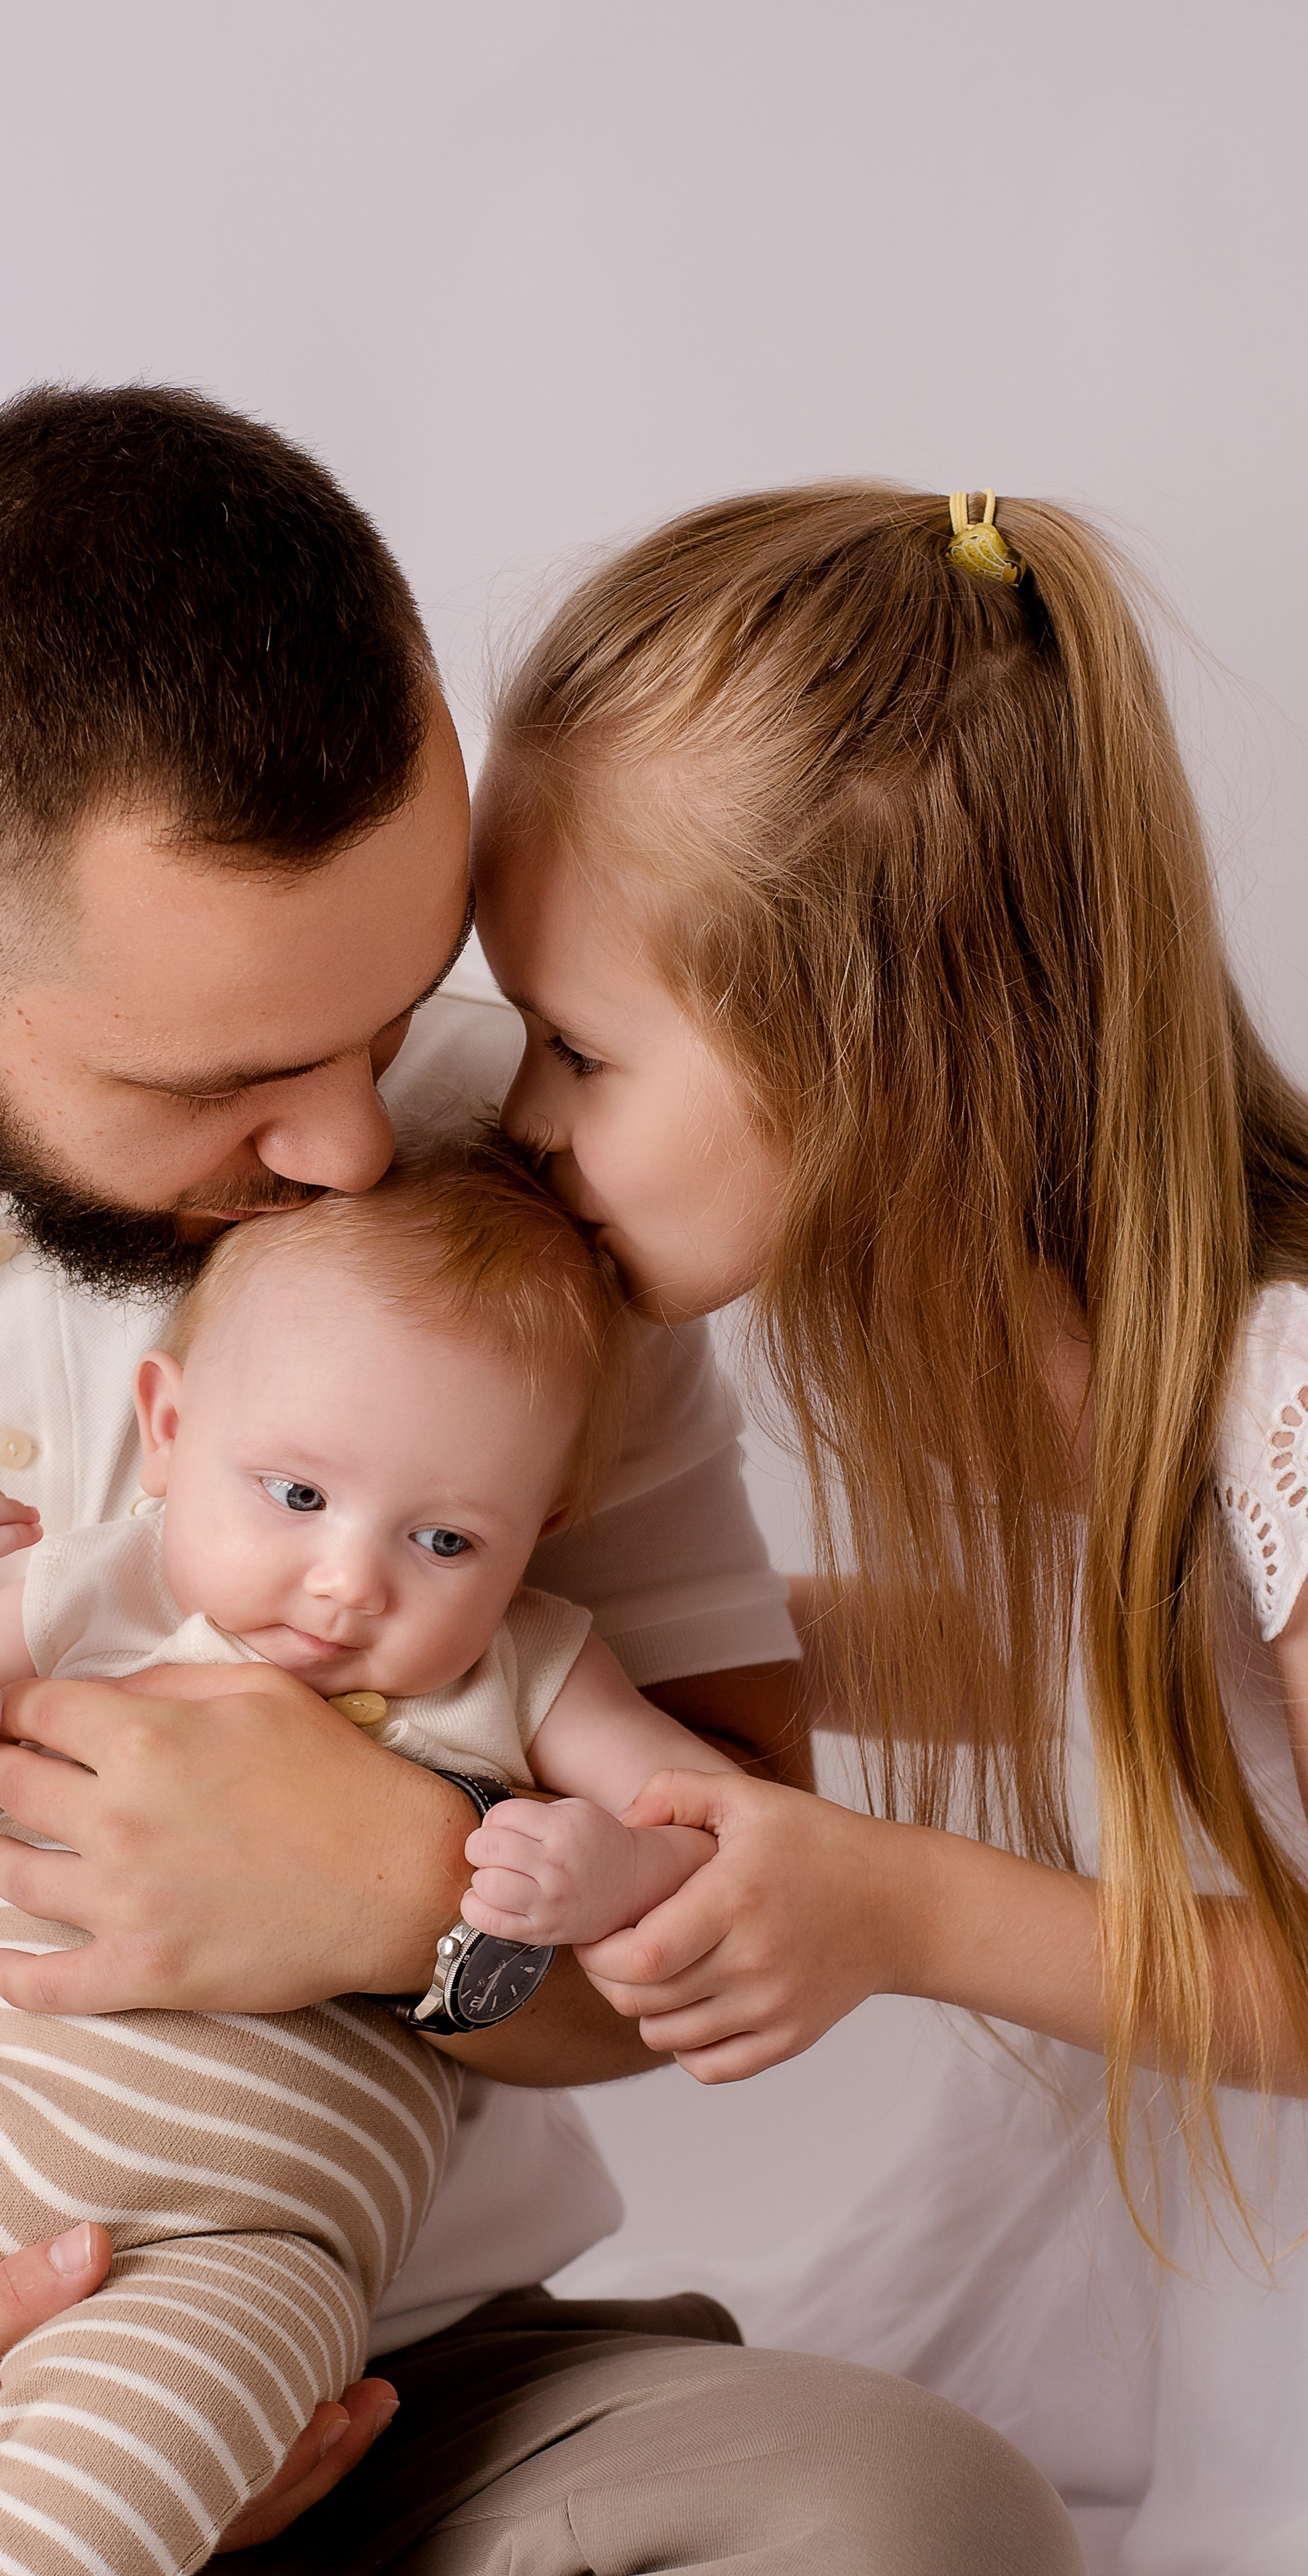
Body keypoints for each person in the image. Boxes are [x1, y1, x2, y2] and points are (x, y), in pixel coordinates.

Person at [0, 387, 1077, 2575]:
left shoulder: (495, 1189)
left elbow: (704, 1878)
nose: (362, 1151)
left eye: (391, 1019)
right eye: (233, 1083)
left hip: (384, 2361)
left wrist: (416, 1894)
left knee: (907, 2516)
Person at [461, 478, 1308, 2569]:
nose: (519, 1119)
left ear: (877, 1052)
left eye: (579, 1051)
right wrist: (632, 1668)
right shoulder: (1063, 1340)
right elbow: (1139, 1656)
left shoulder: (1286, 1383)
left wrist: (908, 1910)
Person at [0, 1143, 759, 2575]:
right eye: (294, 1495)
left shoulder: (526, 1676)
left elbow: (722, 1840)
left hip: (245, 2244)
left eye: (446, 1537)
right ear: (167, 1424)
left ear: (540, 1538)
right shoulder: (99, 1593)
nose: (346, 1581)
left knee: (109, 2488)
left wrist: (602, 1870)